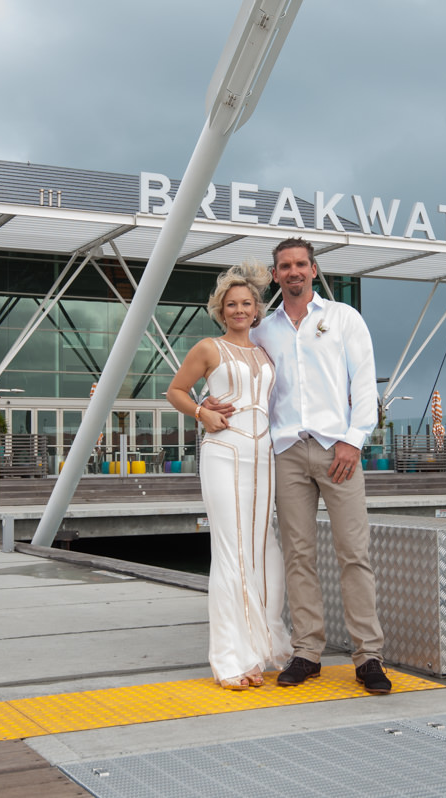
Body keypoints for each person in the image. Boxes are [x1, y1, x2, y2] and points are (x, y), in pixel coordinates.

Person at [204, 237, 391, 695]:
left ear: (313, 269)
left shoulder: (343, 319)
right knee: (298, 557)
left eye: (300, 264)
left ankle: (368, 655)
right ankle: (307, 651)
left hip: (338, 451)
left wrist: (353, 440)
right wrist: (206, 403)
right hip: (285, 453)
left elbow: (364, 385)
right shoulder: (264, 330)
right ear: (274, 274)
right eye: (284, 265)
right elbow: (248, 382)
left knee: (354, 553)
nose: (293, 272)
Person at [166, 261, 292, 690]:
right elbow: (175, 391)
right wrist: (202, 413)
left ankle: (261, 648)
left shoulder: (265, 350)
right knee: (232, 551)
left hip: (265, 456)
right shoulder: (208, 348)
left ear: (257, 309)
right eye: (230, 304)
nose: (239, 310)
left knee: (266, 553)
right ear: (220, 310)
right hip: (224, 452)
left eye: (246, 303)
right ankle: (230, 659)